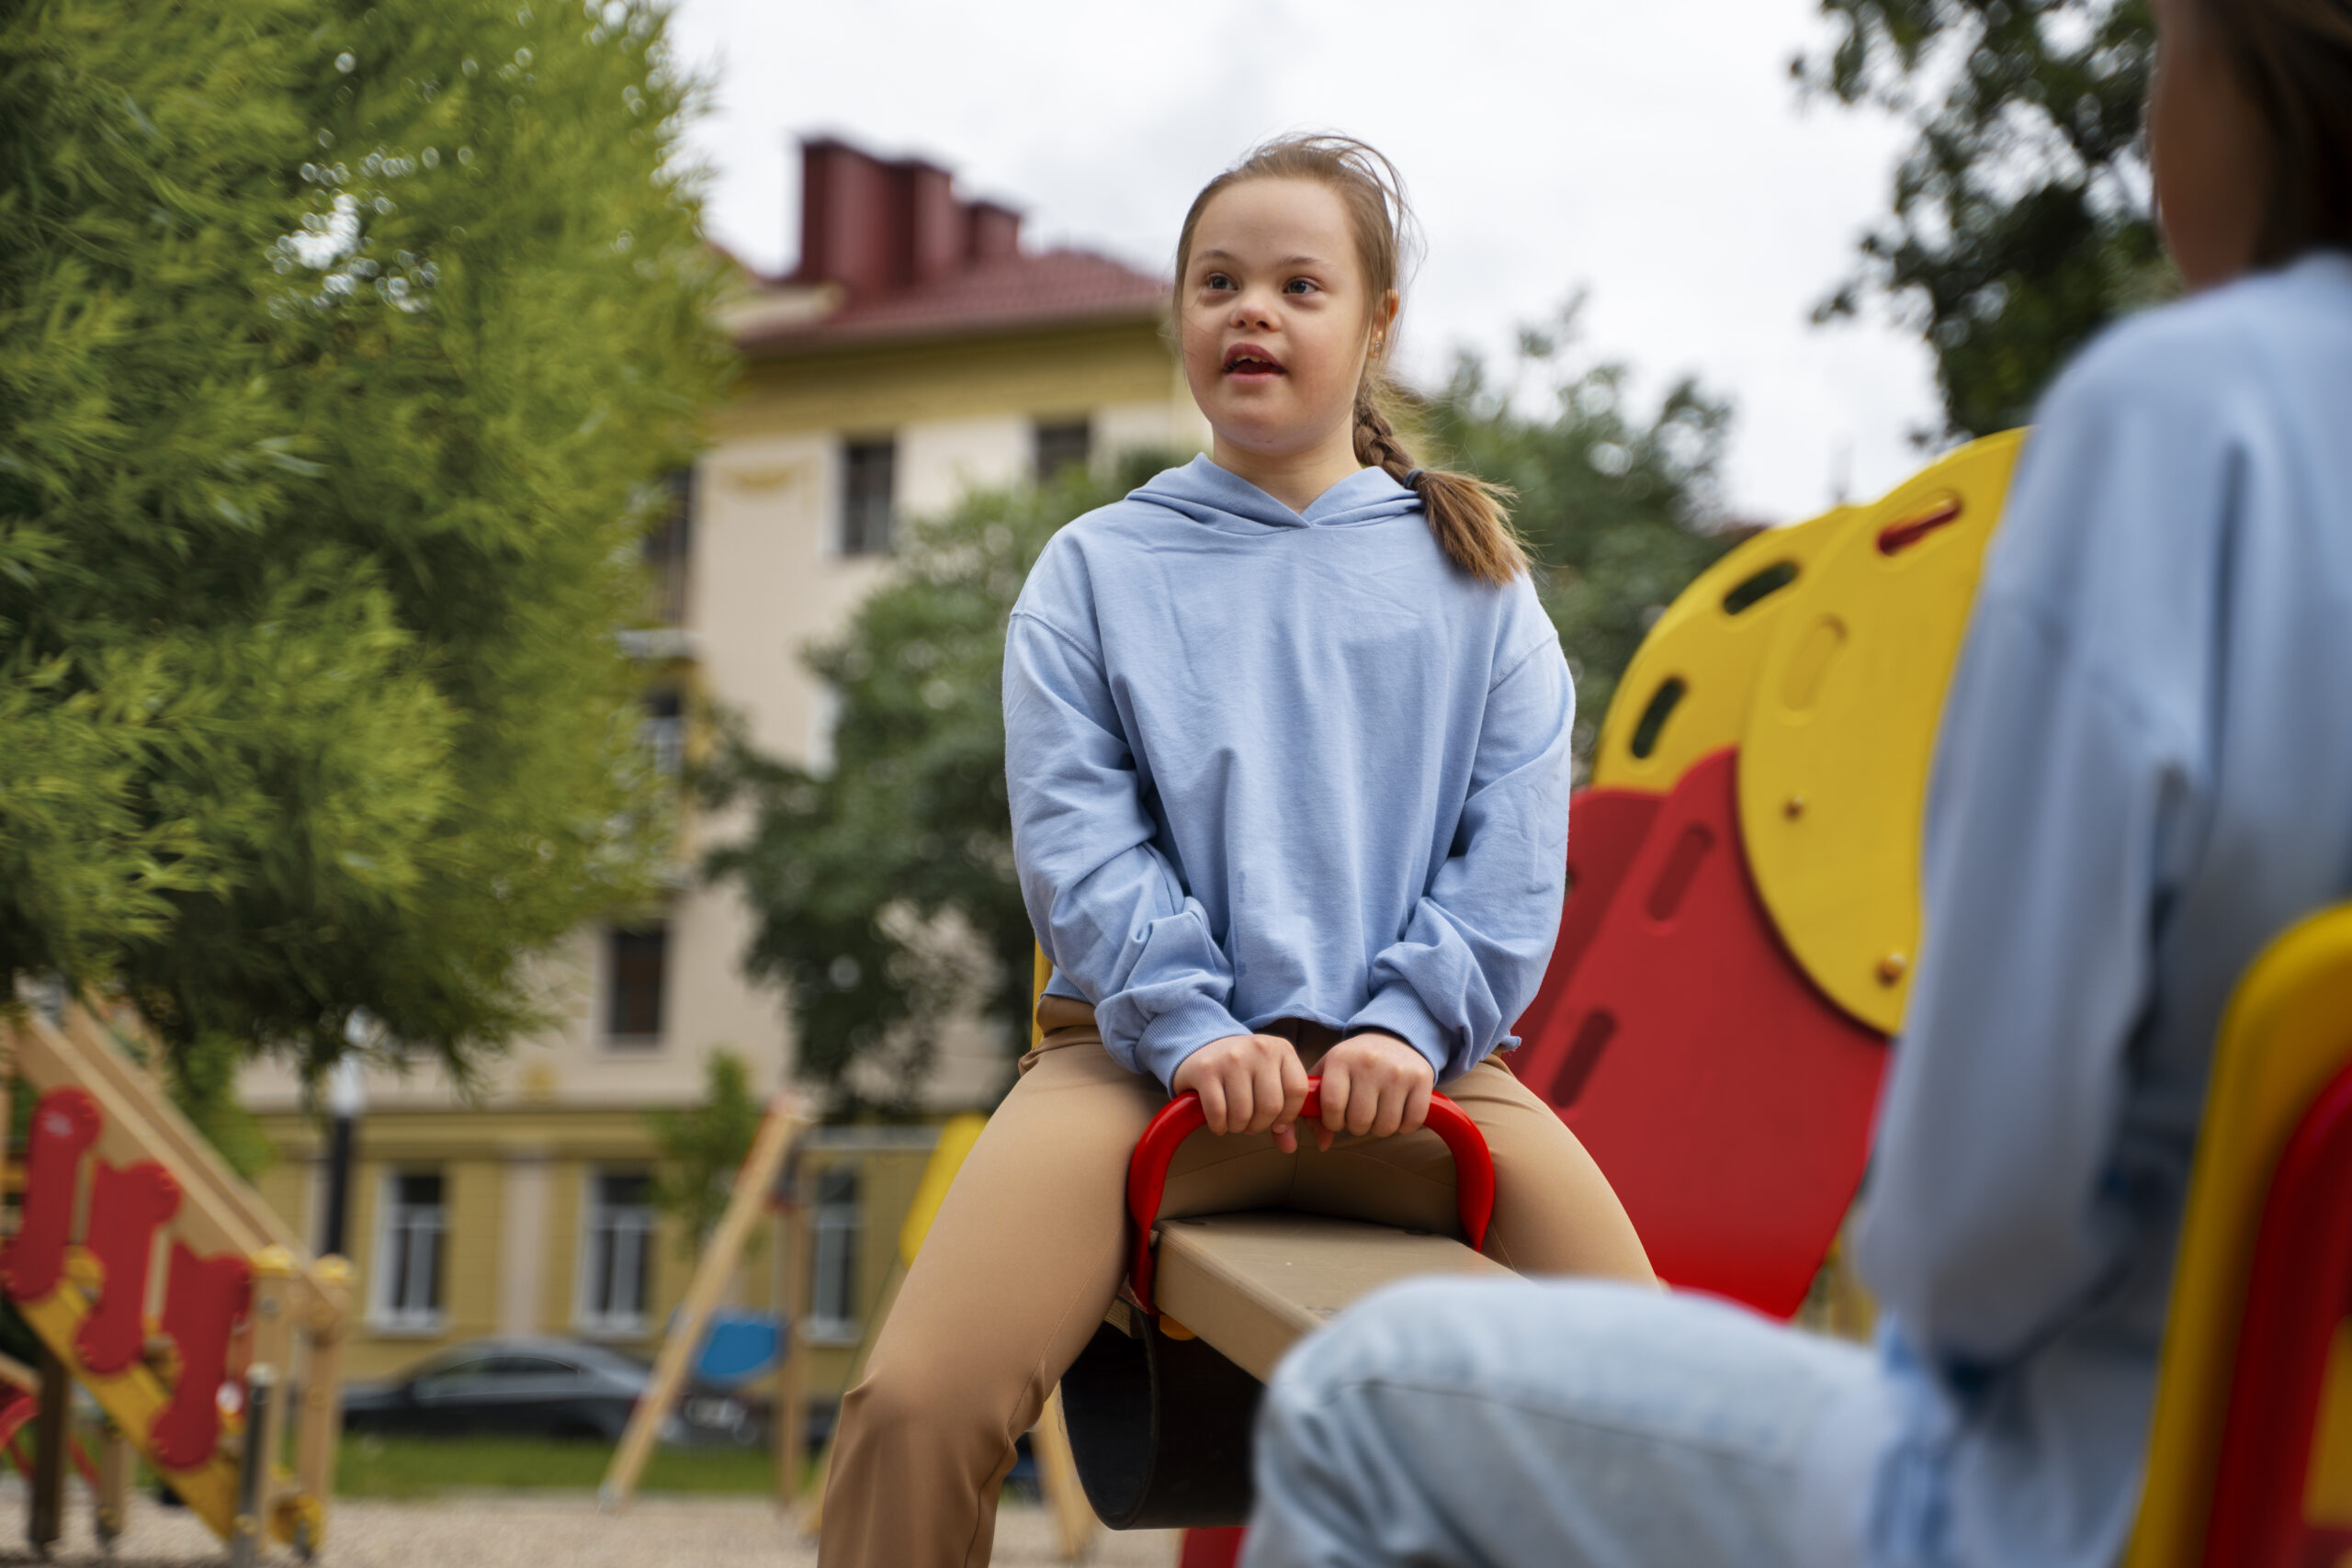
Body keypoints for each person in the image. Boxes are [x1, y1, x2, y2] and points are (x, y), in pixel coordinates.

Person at [1240, 1, 2352, 1565]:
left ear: (2251, 80)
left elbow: (1973, 1237)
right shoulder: (1143, 577)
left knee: (1364, 1396)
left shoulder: (2188, 426)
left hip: (2115, 1494)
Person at [815, 136, 1657, 1568]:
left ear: (1376, 325)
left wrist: (1408, 1023)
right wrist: (1193, 1024)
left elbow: (1512, 861)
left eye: (1297, 284)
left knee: (1669, 1414)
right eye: (1219, 282)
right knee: (914, 1404)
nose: (1251, 311)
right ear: (1183, 319)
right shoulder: (1097, 571)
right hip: (1142, 1066)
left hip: (1427, 1077)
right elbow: (1080, 844)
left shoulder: (1481, 590)